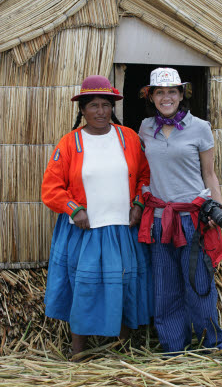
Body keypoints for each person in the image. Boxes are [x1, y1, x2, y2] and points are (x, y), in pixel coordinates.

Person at [42, 75, 153, 357]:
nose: (101, 111)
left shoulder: (128, 138)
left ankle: (122, 348)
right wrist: (74, 209)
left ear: (112, 107)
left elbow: (144, 175)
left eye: (106, 104)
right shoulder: (70, 144)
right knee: (85, 287)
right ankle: (78, 351)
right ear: (82, 110)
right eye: (93, 105)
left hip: (122, 228)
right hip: (85, 231)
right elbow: (51, 188)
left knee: (124, 285)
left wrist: (139, 203)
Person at [138, 67, 222, 354]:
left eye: (172, 92)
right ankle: (173, 347)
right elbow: (144, 171)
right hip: (159, 220)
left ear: (181, 95)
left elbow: (209, 174)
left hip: (193, 218)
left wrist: (217, 210)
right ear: (151, 96)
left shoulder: (199, 127)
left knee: (198, 283)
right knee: (165, 287)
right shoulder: (145, 127)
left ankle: (212, 344)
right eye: (160, 92)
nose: (166, 97)